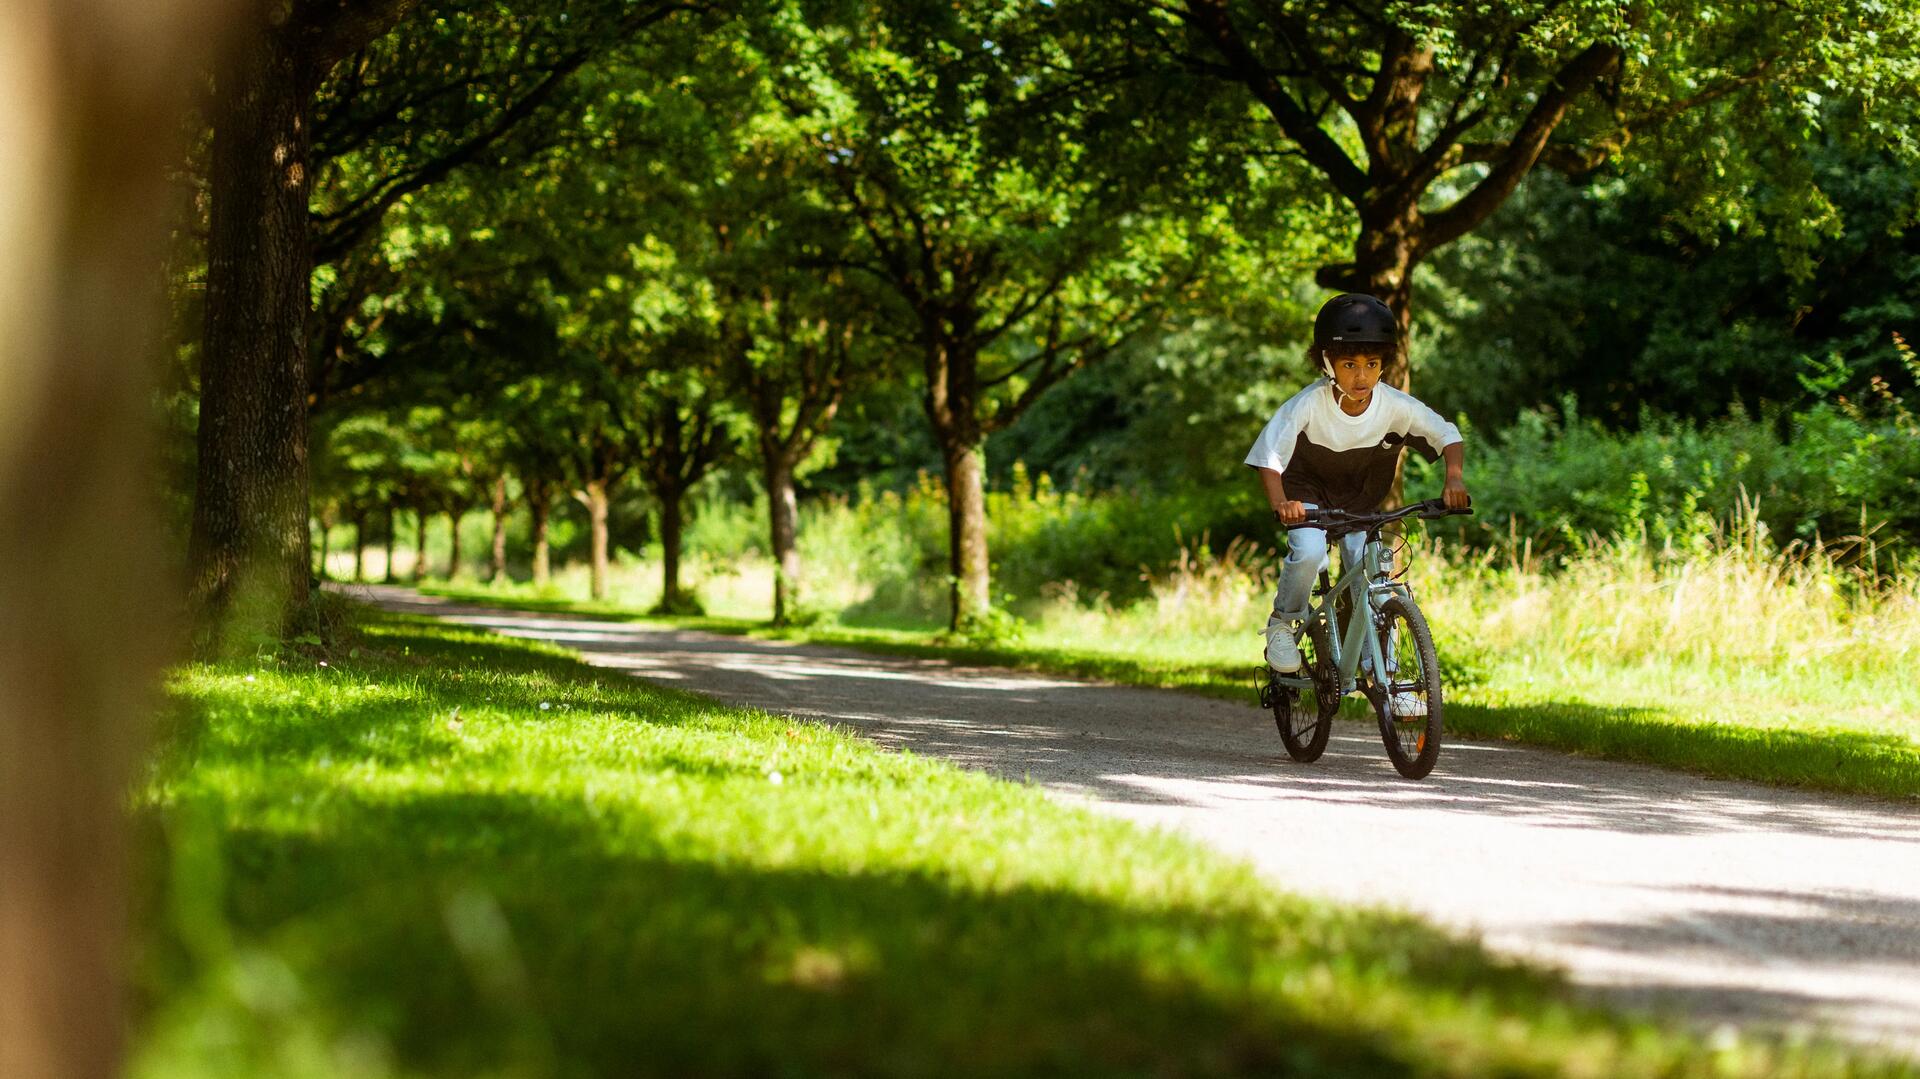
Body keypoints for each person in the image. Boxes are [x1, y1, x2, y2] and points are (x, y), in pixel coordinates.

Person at [1244, 293, 1470, 715]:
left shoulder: (1394, 406)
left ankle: (1389, 678)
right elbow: (1269, 458)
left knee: (1371, 574)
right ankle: (1283, 623)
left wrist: (1453, 479)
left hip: (1359, 500)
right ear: (1328, 363)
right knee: (1310, 551)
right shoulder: (1308, 405)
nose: (1361, 375)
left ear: (1384, 363)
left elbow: (1447, 435)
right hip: (1307, 495)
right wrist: (1282, 504)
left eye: (1371, 364)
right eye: (1349, 365)